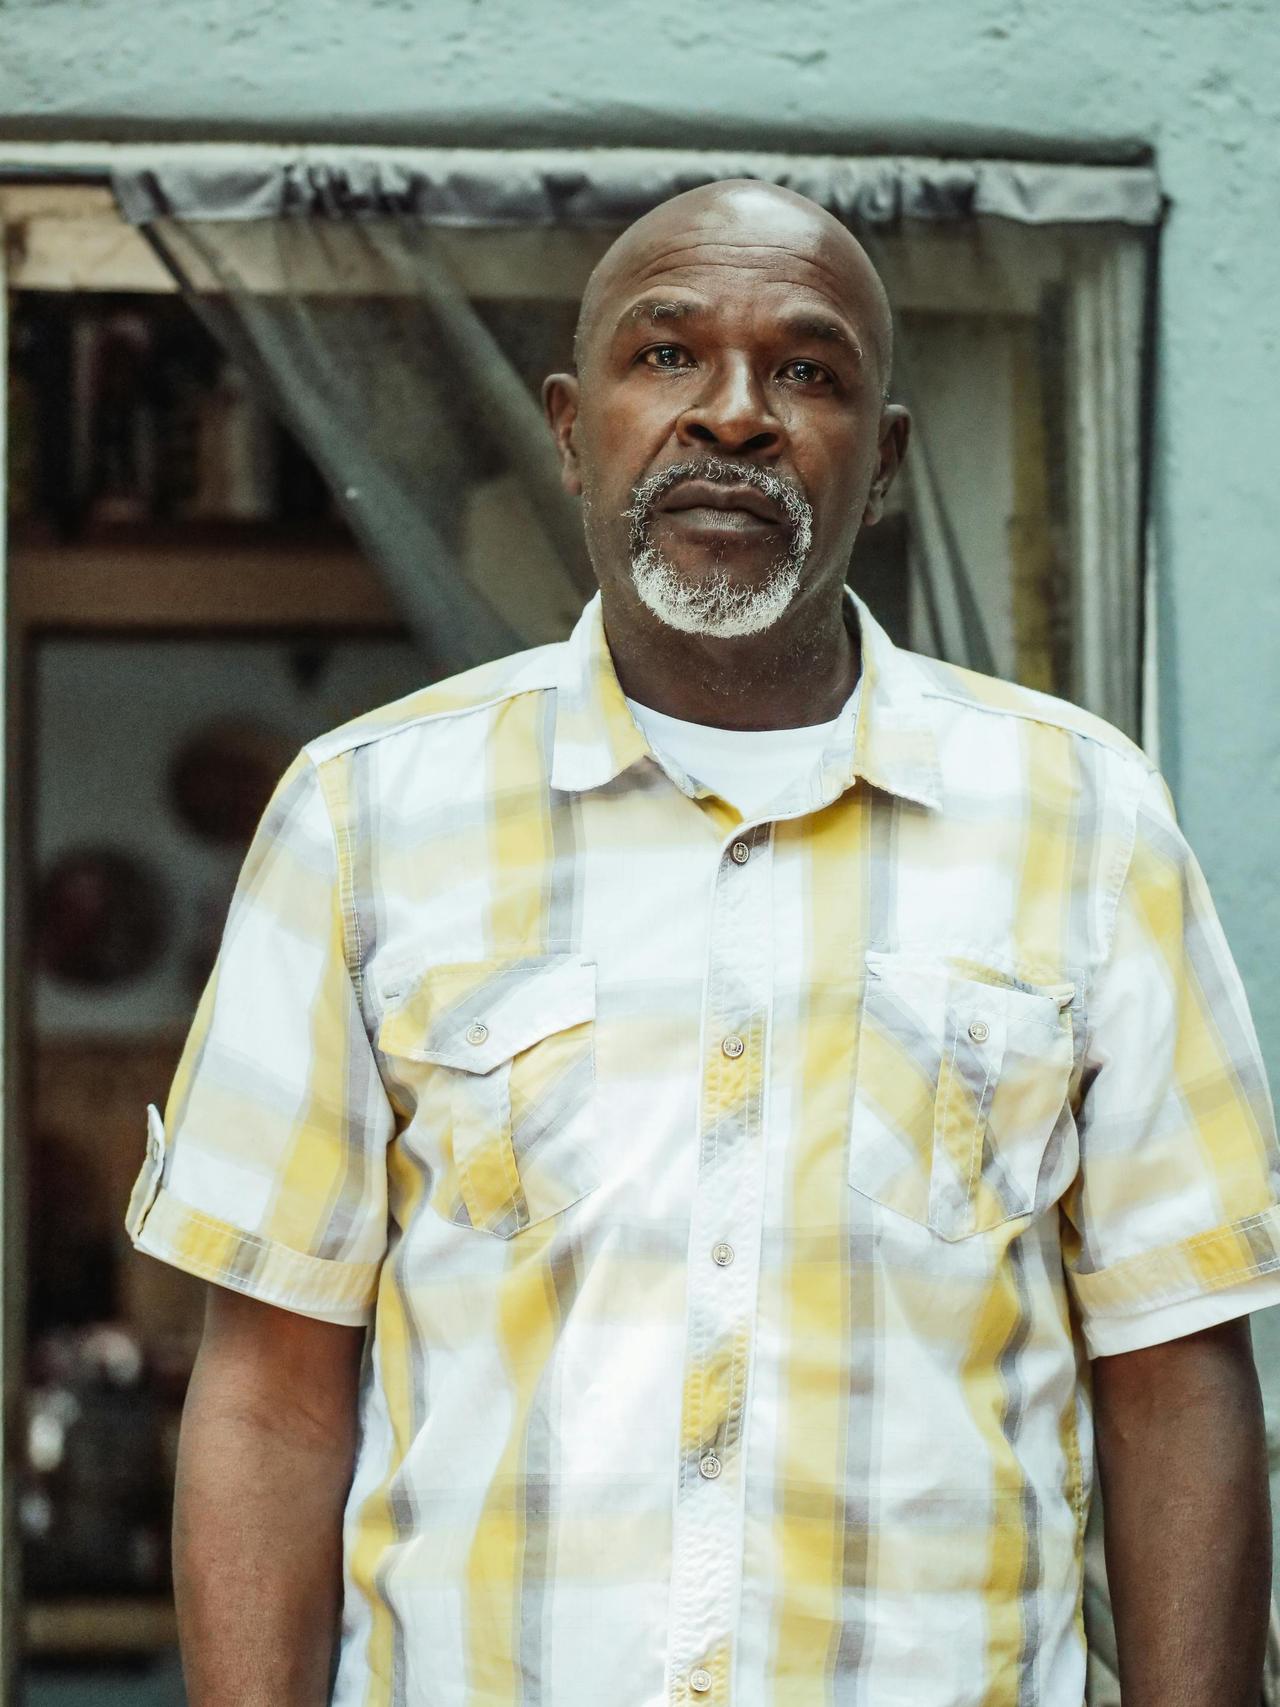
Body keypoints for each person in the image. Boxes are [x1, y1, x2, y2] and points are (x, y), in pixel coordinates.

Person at [126, 180, 1280, 1707]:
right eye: (667, 354)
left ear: (885, 464)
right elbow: (271, 1398)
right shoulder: (364, 820)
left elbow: (1175, 1380)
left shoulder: (1085, 820)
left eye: (806, 370)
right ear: (569, 429)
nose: (733, 414)